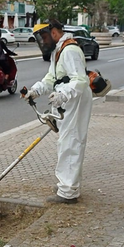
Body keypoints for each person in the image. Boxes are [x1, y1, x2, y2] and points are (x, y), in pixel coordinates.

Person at [22, 19, 93, 204]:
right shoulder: (58, 51)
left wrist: (63, 94)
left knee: (71, 142)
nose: (43, 42)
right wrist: (35, 91)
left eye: (44, 37)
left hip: (74, 100)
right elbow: (51, 78)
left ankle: (68, 192)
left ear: (54, 32)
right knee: (66, 142)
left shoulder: (69, 50)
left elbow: (80, 80)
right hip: (68, 100)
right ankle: (67, 184)